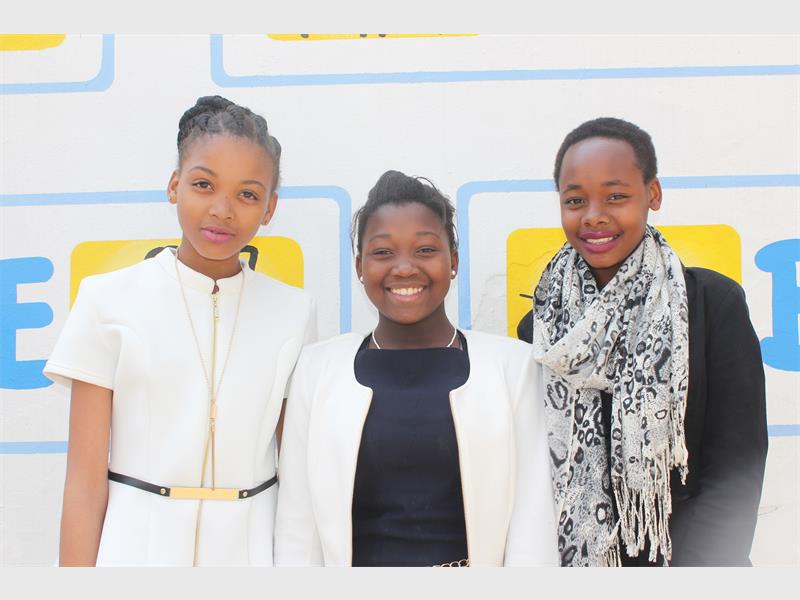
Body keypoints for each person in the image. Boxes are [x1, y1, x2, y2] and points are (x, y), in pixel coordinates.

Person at [44, 95, 316, 566]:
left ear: (270, 208)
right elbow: (84, 485)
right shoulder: (106, 299)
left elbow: (297, 480)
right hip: (133, 554)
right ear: (174, 186)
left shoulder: (294, 311)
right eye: (204, 185)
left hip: (251, 556)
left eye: (247, 194)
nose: (222, 209)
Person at [274, 170, 558, 567]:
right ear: (359, 266)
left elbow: (533, 526)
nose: (405, 267)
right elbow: (297, 532)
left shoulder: (514, 367)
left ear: (453, 260)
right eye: (383, 252)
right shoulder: (316, 370)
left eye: (425, 249)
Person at [518, 117, 768, 566]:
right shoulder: (541, 328)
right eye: (575, 200)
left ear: (653, 194)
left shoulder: (712, 305)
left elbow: (736, 469)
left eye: (616, 196)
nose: (593, 215)